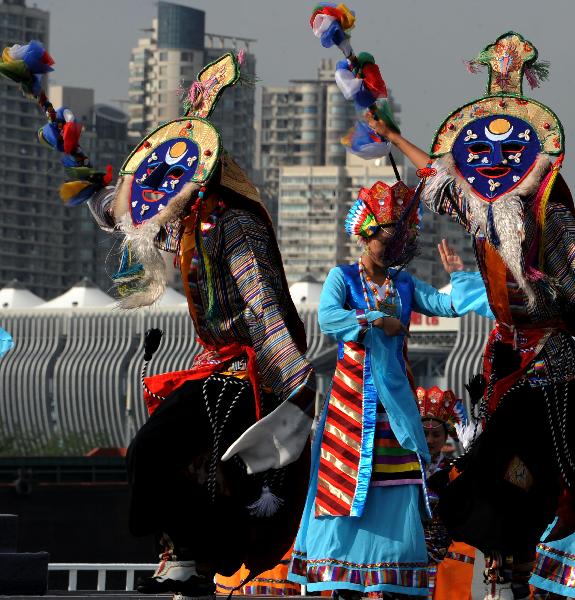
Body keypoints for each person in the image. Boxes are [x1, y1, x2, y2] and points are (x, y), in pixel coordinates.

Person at [0, 48, 315, 597]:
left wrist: (290, 382)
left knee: (209, 466)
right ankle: (182, 554)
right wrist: (72, 155)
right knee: (153, 449)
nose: (160, 188)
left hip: (255, 372)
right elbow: (123, 214)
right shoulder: (186, 221)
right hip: (214, 367)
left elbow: (264, 306)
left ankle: (194, 556)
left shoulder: (236, 225)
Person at [367, 31, 575, 599]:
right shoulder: (481, 201)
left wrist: (536, 291)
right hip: (508, 361)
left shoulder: (551, 206)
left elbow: (574, 287)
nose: (492, 164)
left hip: (554, 362)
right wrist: (393, 136)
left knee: (522, 461)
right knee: (499, 466)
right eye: (481, 154)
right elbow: (435, 179)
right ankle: (506, 568)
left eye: (506, 155)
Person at [288, 179, 492, 598]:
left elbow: (446, 305)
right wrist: (372, 321)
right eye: (387, 234)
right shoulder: (341, 278)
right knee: (345, 487)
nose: (394, 244)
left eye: (400, 236)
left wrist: (463, 278)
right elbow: (328, 319)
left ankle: (392, 572)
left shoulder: (404, 283)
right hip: (350, 405)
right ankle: (344, 576)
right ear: (365, 231)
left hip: (395, 407)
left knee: (398, 488)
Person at [417, 386, 476, 600]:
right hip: (411, 547)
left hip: (445, 550)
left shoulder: (454, 470)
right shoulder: (404, 469)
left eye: (436, 434)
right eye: (424, 434)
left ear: (445, 437)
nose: (430, 440)